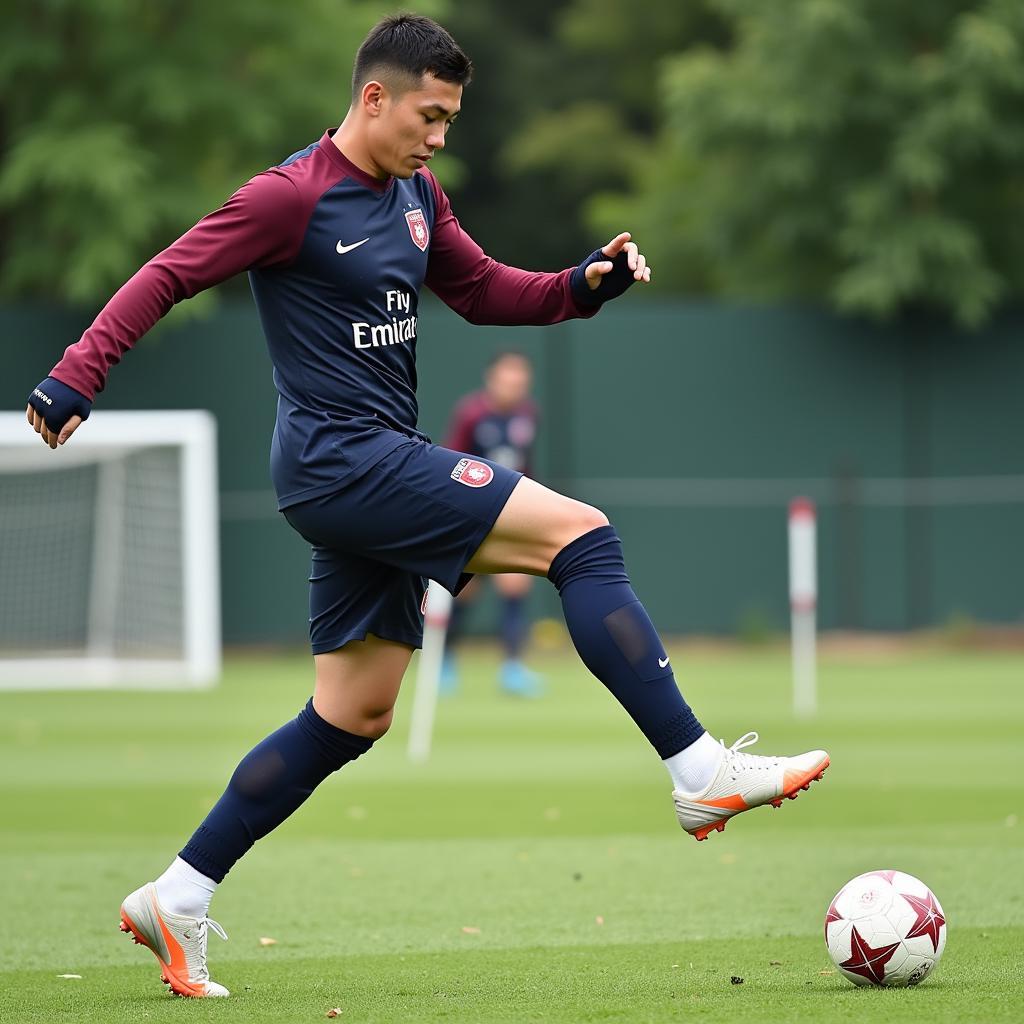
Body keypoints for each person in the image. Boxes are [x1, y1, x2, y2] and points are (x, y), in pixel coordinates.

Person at [25, 14, 828, 999]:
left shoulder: (414, 195)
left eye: (449, 118)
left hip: (368, 470)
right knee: (581, 535)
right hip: (341, 464)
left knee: (352, 712)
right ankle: (698, 768)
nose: (439, 135)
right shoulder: (291, 196)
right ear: (375, 97)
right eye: (430, 115)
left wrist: (583, 285)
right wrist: (76, 375)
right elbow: (170, 271)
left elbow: (487, 290)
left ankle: (177, 896)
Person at [442, 350, 544, 697]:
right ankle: (445, 663)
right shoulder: (471, 414)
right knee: (464, 593)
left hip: (510, 517)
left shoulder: (528, 415)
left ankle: (512, 668)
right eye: (507, 379)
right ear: (492, 379)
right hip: (469, 519)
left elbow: (525, 466)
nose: (514, 386)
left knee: (515, 587)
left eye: (520, 380)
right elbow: (450, 463)